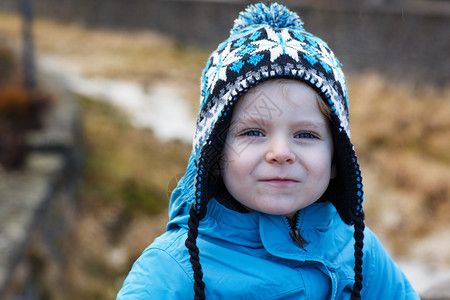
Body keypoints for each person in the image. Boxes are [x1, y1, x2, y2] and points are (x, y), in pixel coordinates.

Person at [117, 3, 419, 299]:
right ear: (216, 156)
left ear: (336, 159)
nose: (280, 153)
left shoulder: (359, 251)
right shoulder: (172, 270)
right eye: (253, 132)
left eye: (305, 134)